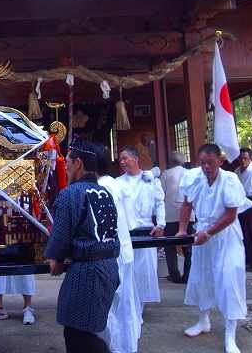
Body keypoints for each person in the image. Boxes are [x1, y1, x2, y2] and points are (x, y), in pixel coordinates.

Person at [45, 139, 120, 353]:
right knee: (83, 331)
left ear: (78, 163)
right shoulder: (104, 192)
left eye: (67, 161)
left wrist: (55, 258)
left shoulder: (71, 194)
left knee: (78, 334)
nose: (65, 165)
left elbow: (61, 234)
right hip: (109, 267)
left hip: (88, 271)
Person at [177, 144, 252, 353]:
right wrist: (182, 230)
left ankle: (230, 336)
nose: (206, 167)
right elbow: (186, 204)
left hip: (226, 235)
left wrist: (208, 233)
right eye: (202, 163)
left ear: (220, 161)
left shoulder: (230, 180)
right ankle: (203, 320)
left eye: (211, 163)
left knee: (229, 280)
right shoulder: (193, 177)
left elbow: (230, 215)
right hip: (201, 233)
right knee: (202, 278)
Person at [97, 147, 141, 353]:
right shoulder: (115, 184)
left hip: (112, 253)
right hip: (123, 250)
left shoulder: (100, 188)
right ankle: (126, 346)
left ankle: (117, 348)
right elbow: (130, 221)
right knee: (124, 304)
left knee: (112, 305)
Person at [115, 145, 165, 315]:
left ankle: (140, 309)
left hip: (146, 231)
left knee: (145, 272)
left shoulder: (150, 180)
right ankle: (130, 307)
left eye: (125, 158)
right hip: (127, 233)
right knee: (128, 271)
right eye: (120, 159)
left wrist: (161, 224)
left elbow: (159, 203)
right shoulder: (118, 183)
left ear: (135, 159)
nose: (122, 162)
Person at [160, 151, 194, 283]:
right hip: (188, 216)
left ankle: (174, 275)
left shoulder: (166, 174)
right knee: (188, 247)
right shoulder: (190, 174)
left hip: (170, 215)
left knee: (170, 247)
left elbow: (160, 193)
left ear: (171, 162)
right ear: (183, 161)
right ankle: (188, 275)